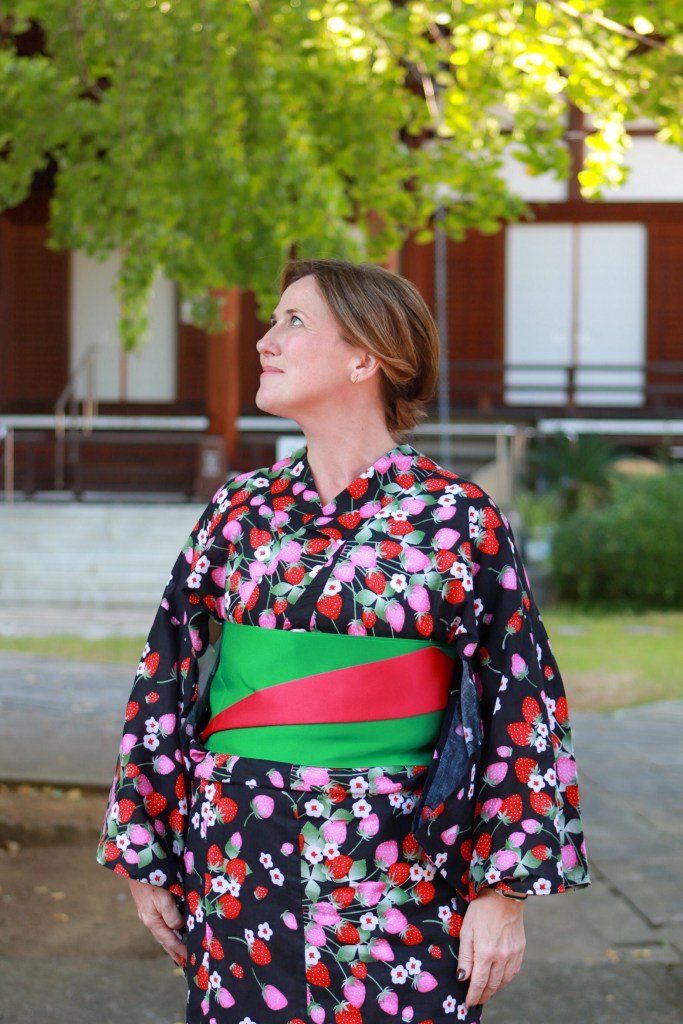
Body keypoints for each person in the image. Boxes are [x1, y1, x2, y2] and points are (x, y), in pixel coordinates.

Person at [98, 258, 589, 1023]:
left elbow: (519, 700)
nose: (265, 340)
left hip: (399, 861)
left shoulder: (455, 517)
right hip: (238, 842)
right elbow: (164, 677)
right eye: (272, 320)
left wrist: (503, 893)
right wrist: (142, 851)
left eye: (293, 322)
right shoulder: (239, 509)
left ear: (368, 357)